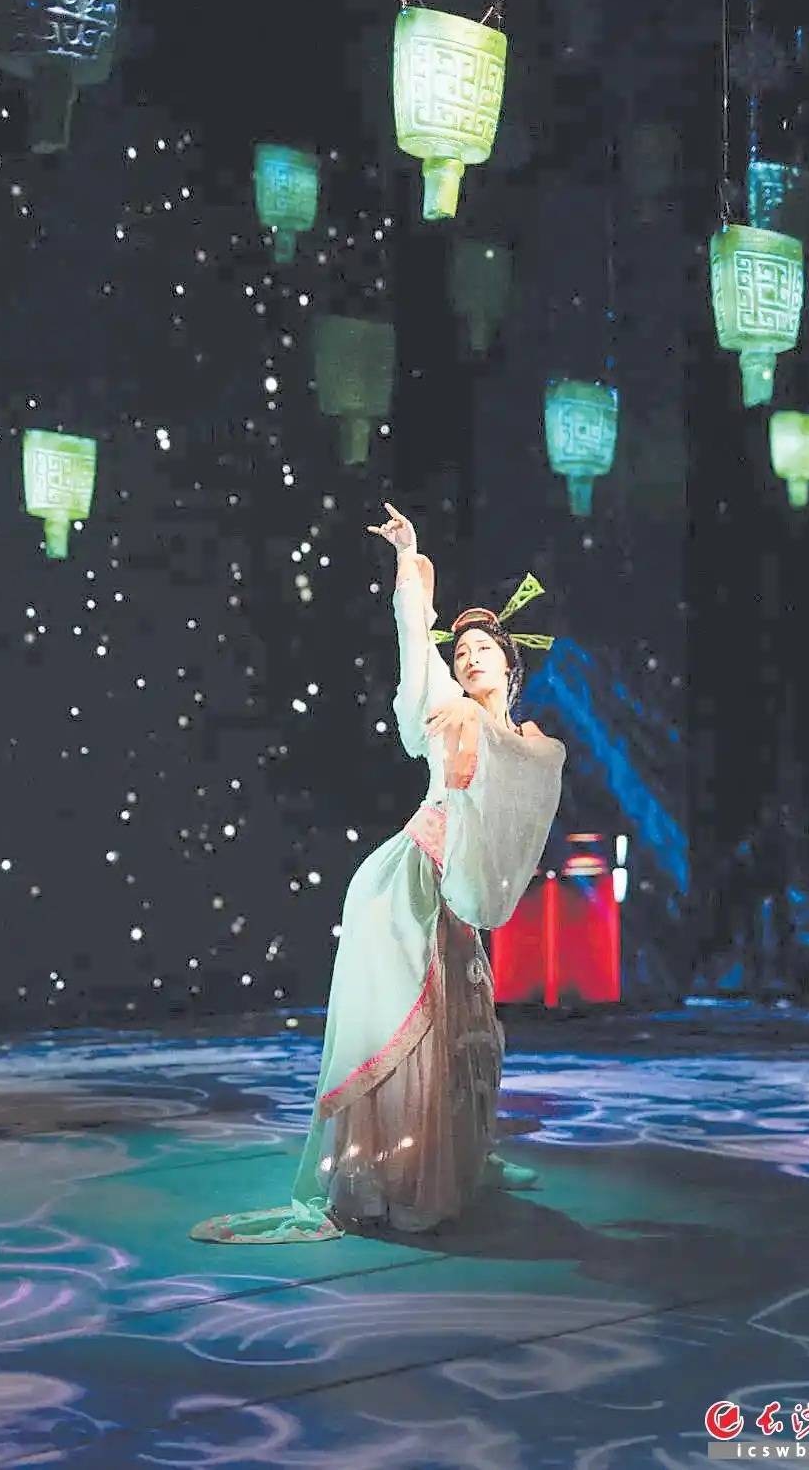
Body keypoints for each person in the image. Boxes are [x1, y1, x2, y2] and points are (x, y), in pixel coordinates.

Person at [190, 502, 566, 1243]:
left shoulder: (523, 737)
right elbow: (414, 644)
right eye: (462, 651)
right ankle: (390, 1177)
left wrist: (499, 738)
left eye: (483, 650)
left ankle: (457, 1162)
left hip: (457, 890)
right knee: (407, 1028)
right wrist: (409, 565)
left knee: (464, 1028)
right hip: (409, 882)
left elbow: (529, 786)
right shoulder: (447, 705)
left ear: (509, 663)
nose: (470, 659)